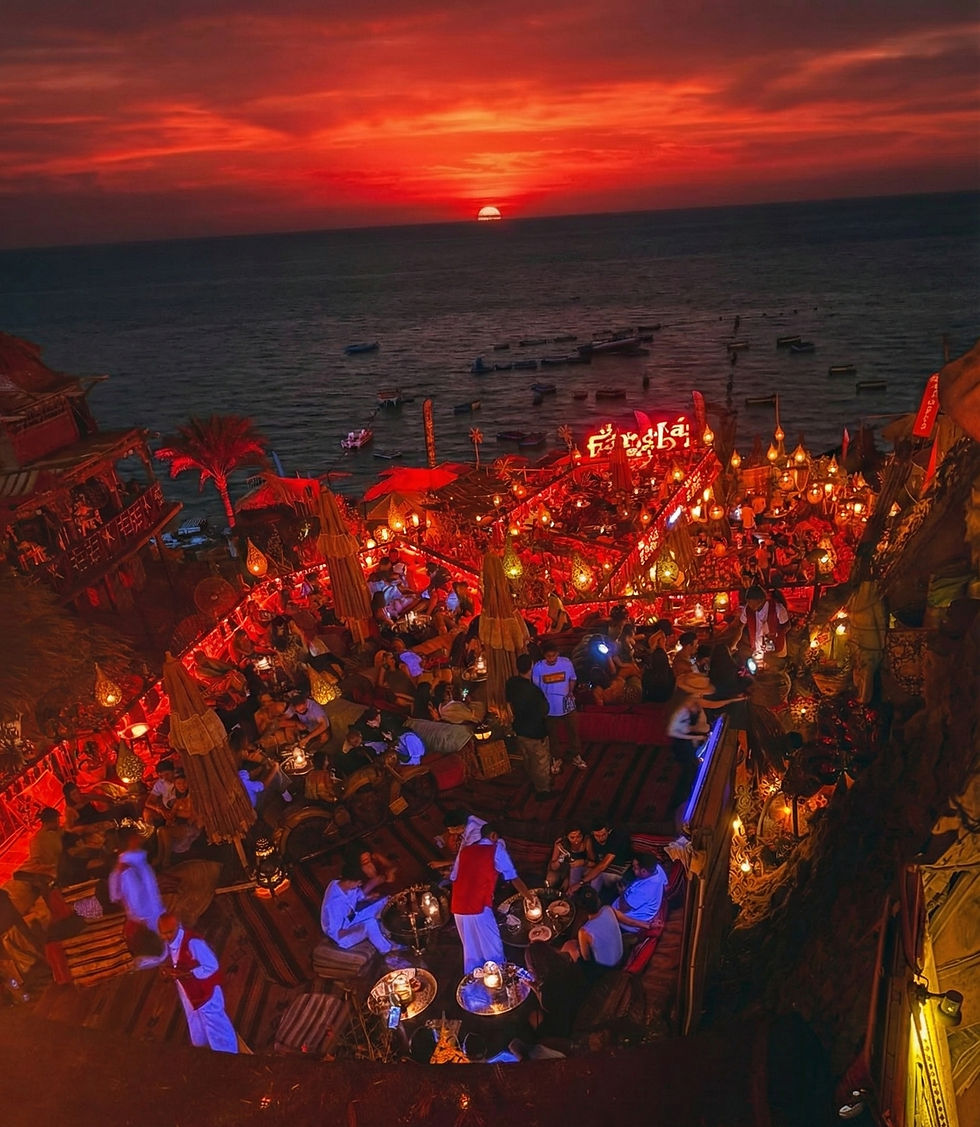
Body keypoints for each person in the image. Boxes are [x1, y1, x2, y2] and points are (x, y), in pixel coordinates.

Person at [451, 821, 528, 973]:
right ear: (493, 835)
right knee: (493, 950)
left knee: (471, 950)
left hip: (458, 906)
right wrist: (529, 897)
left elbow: (455, 875)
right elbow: (513, 877)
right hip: (478, 905)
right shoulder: (496, 849)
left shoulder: (466, 850)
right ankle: (500, 979)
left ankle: (475, 981)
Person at [158, 912, 239, 1053]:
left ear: (177, 927)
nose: (166, 937)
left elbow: (212, 966)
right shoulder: (171, 944)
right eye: (163, 934)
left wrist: (189, 973)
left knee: (216, 1027)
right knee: (197, 1029)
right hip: (190, 996)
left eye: (169, 933)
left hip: (207, 994)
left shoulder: (193, 943)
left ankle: (229, 1057)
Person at [108, 828, 165, 966]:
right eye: (137, 836)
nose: (140, 838)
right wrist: (145, 919)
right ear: (131, 840)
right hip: (148, 918)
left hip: (151, 916)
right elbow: (135, 898)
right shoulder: (127, 869)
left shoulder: (133, 863)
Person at [320, 863, 396, 955]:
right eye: (358, 882)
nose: (360, 885)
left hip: (350, 919)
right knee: (370, 923)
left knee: (384, 901)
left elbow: (356, 896)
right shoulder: (334, 905)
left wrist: (368, 897)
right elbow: (335, 932)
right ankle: (387, 952)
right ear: (349, 881)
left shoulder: (339, 883)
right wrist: (359, 927)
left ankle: (393, 937)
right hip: (341, 937)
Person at [505, 653, 553, 799]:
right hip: (535, 732)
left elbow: (509, 703)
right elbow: (544, 710)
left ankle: (532, 780)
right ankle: (543, 791)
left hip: (519, 728)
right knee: (541, 762)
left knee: (527, 758)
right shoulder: (534, 691)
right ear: (531, 667)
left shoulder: (511, 683)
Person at [532, 643, 586, 771]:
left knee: (573, 730)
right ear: (544, 655)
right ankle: (556, 757)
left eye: (554, 655)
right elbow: (536, 688)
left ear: (558, 653)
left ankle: (575, 754)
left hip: (567, 704)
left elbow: (572, 678)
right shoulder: (539, 667)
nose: (551, 659)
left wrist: (570, 691)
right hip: (549, 707)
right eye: (548, 656)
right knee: (553, 734)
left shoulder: (566, 663)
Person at [612, 853, 668, 934]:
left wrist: (622, 892)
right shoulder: (657, 868)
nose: (632, 869)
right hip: (632, 905)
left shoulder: (645, 889)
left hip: (628, 923)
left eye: (635, 868)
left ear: (644, 871)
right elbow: (665, 886)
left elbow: (623, 908)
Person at [574, 885, 623, 969]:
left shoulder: (584, 931)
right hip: (621, 956)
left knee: (571, 946)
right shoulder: (608, 909)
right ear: (598, 900)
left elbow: (586, 958)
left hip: (606, 967)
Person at [582, 818, 634, 895]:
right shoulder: (591, 839)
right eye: (597, 835)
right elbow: (593, 861)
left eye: (603, 834)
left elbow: (603, 865)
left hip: (620, 867)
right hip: (604, 867)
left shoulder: (616, 837)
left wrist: (581, 882)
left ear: (608, 831)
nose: (601, 838)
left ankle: (592, 899)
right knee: (580, 870)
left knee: (597, 876)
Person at [739, 585, 790, 658]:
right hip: (756, 650)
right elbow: (740, 626)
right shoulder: (747, 610)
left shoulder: (778, 608)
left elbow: (787, 626)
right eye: (748, 601)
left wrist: (776, 636)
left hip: (776, 651)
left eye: (751, 601)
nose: (749, 604)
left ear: (761, 600)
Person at [545, 825, 594, 892]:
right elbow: (553, 867)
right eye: (572, 837)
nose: (576, 840)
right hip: (564, 868)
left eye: (579, 837)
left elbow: (593, 863)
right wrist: (561, 858)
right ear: (567, 837)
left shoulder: (586, 841)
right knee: (551, 879)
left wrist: (582, 862)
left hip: (580, 869)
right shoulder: (561, 844)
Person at [143, 759, 177, 826]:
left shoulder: (180, 781)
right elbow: (148, 802)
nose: (165, 778)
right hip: (167, 811)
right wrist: (160, 809)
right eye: (161, 776)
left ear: (173, 771)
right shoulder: (160, 784)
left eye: (167, 774)